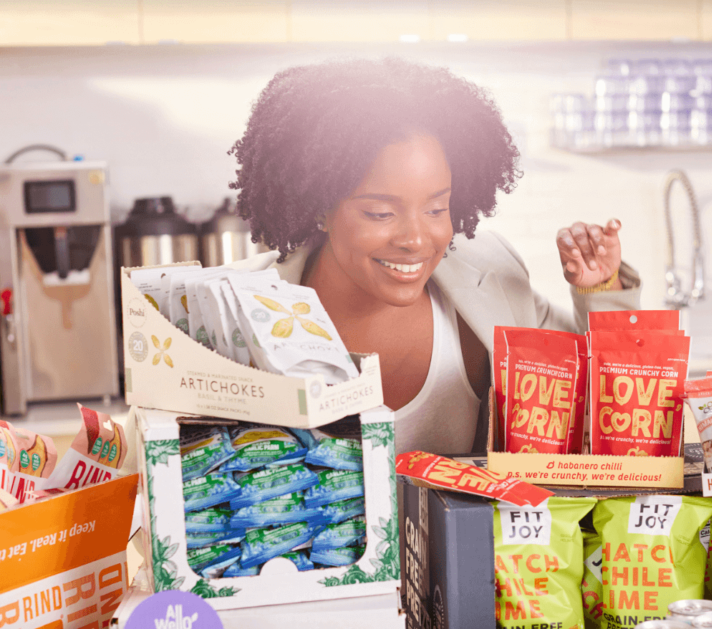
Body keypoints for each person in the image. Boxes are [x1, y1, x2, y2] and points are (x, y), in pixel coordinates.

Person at [230, 58, 641, 454]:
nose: (415, 239)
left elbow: (608, 389)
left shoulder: (488, 276)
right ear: (319, 207)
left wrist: (601, 289)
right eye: (381, 213)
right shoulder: (235, 311)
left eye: (435, 209)